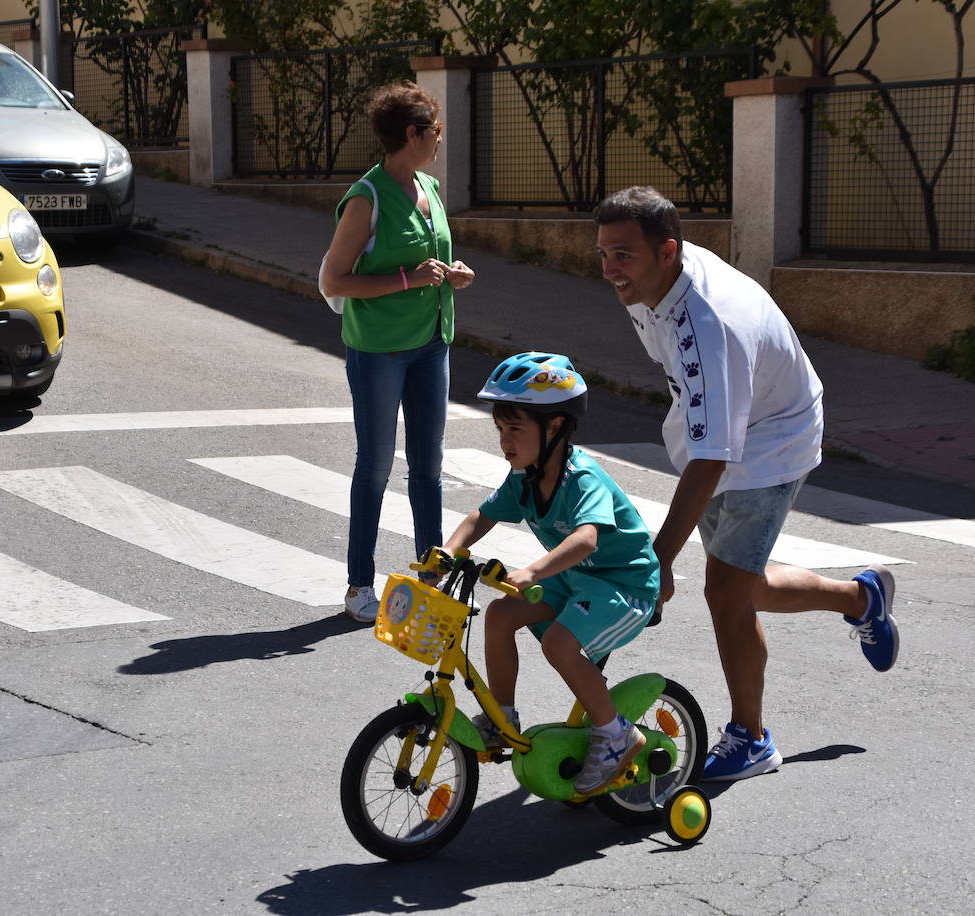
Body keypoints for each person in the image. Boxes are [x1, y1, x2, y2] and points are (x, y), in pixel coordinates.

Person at [593, 186, 899, 782]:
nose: (609, 269)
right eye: (603, 253)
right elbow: (705, 428)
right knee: (745, 582)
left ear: (667, 251)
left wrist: (656, 565)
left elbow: (714, 459)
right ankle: (860, 598)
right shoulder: (650, 280)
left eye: (623, 255)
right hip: (720, 420)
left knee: (725, 590)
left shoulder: (712, 324)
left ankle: (751, 738)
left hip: (773, 436)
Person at [441, 352, 660, 796]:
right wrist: (447, 551)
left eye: (515, 429)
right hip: (579, 580)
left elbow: (586, 540)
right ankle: (502, 717)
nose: (505, 440)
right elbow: (481, 516)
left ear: (555, 427)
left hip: (625, 585)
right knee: (501, 614)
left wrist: (532, 571)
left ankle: (617, 735)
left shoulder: (582, 479)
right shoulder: (523, 477)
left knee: (560, 644)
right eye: (500, 429)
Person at [320, 81, 476, 623]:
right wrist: (407, 279)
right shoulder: (367, 198)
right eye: (435, 131)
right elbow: (334, 280)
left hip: (431, 343)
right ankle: (359, 584)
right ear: (411, 134)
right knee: (377, 464)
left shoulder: (427, 188)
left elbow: (431, 261)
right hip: (380, 350)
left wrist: (452, 277)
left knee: (429, 465)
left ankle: (430, 574)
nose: (439, 140)